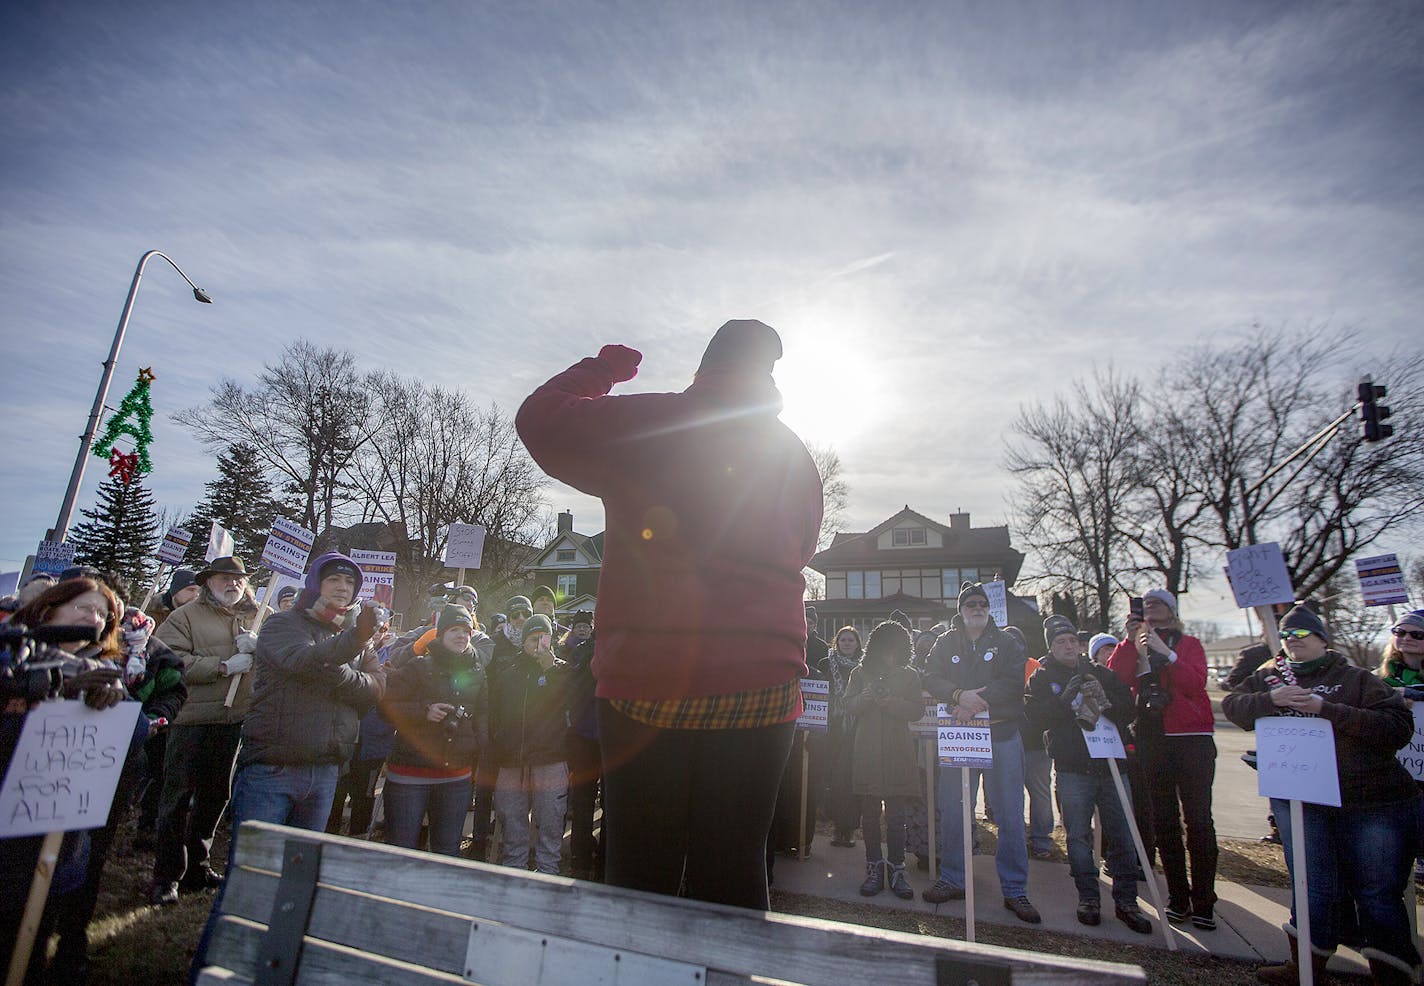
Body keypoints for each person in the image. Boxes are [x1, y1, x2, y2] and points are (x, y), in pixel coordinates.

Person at [516, 319, 823, 908]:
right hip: (763, 678)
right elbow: (802, 548)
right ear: (769, 376)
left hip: (648, 681)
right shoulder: (794, 456)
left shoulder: (651, 423)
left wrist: (603, 369)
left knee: (641, 867)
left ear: (703, 367)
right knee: (735, 864)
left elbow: (540, 418)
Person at [1224, 604, 1422, 984]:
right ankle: (1306, 967)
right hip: (1304, 801)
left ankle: (1393, 972)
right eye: (1285, 636)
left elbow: (1397, 727)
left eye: (1301, 635)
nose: (1292, 642)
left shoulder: (1355, 679)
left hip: (1371, 804)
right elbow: (1234, 706)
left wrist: (1327, 709)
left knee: (1376, 892)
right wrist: (1272, 701)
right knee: (1311, 885)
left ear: (1321, 639)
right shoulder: (1270, 677)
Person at [1, 578, 133, 983]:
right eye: (83, 607)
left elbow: (133, 739)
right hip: (9, 830)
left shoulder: (105, 672)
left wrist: (115, 704)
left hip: (57, 838)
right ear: (49, 609)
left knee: (31, 945)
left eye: (101, 613)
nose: (93, 617)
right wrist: (42, 697)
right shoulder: (12, 654)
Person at [231, 552, 390, 837]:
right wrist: (354, 642)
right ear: (315, 583)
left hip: (326, 771)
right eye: (333, 579)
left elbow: (376, 688)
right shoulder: (282, 624)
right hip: (274, 768)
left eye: (349, 581)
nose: (343, 587)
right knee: (254, 869)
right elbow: (303, 661)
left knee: (299, 869)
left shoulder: (356, 639)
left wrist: (340, 673)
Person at [922, 581, 1040, 923]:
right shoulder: (946, 642)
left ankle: (1015, 889)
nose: (977, 608)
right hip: (959, 736)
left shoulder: (1007, 642)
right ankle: (953, 878)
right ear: (960, 610)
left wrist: (975, 701)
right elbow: (929, 675)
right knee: (954, 809)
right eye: (970, 603)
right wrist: (959, 694)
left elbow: (1014, 681)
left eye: (982, 603)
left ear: (989, 609)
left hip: (1002, 735)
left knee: (1010, 814)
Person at [1026, 616, 1151, 934]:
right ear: (1051, 648)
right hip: (1072, 769)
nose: (1068, 647)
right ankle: (1089, 897)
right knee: (1078, 838)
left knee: (1121, 837)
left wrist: (1105, 702)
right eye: (1060, 643)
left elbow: (1129, 710)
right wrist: (1063, 700)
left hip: (1111, 766)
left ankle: (1126, 901)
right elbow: (1034, 718)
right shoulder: (1042, 678)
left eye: (1072, 641)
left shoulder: (1103, 674)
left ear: (1081, 646)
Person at [1106, 588, 1218, 930]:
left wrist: (1165, 652)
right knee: (1163, 821)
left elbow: (1195, 683)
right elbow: (1115, 679)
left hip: (1191, 740)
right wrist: (1129, 643)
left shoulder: (1189, 645)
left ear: (1171, 611)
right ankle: (1178, 896)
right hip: (1152, 740)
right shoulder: (1136, 644)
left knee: (1197, 821)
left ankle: (1204, 899)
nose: (1149, 607)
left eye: (1156, 603)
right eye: (1145, 603)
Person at [150, 556, 257, 906]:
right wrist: (223, 666)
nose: (233, 584)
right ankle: (167, 875)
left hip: (231, 722)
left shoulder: (255, 619)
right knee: (178, 798)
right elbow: (171, 661)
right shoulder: (185, 617)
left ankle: (198, 866)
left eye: (238, 579)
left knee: (216, 797)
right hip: (192, 721)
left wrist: (258, 650)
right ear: (208, 581)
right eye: (225, 578)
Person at [380, 604, 485, 856]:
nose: (462, 636)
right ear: (440, 634)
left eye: (466, 631)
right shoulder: (418, 667)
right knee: (401, 849)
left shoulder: (478, 672)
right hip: (409, 776)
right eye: (454, 630)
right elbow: (385, 707)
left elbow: (483, 719)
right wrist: (423, 710)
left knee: (447, 851)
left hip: (456, 778)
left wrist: (477, 754)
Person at [844, 621, 923, 900]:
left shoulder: (910, 675)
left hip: (897, 750)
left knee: (896, 816)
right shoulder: (860, 673)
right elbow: (848, 705)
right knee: (869, 815)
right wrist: (865, 698)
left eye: (894, 650)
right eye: (885, 649)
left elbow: (917, 710)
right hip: (866, 749)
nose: (889, 655)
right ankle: (874, 866)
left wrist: (892, 702)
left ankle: (897, 868)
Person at [487, 613, 571, 874]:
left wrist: (550, 669)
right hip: (512, 761)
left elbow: (572, 703)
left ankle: (548, 874)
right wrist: (499, 744)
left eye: (543, 638)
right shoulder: (508, 672)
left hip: (550, 760)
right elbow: (494, 713)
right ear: (523, 641)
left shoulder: (563, 670)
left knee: (551, 822)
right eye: (532, 638)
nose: (538, 644)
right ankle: (514, 872)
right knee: (513, 825)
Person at [1378, 608, 1424, 885]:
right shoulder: (1381, 677)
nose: (1406, 638)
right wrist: (1395, 697)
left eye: (1416, 633)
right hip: (1396, 766)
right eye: (1399, 632)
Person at [563, 611, 602, 880]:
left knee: (586, 800)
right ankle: (590, 860)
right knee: (592, 801)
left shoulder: (583, 651)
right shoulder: (586, 652)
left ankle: (585, 860)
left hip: (590, 734)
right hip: (599, 734)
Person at [825, 626, 864, 848]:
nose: (847, 643)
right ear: (837, 642)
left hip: (855, 729)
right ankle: (836, 827)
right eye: (843, 640)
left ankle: (848, 829)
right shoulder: (826, 664)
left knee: (851, 780)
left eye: (851, 640)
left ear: (858, 643)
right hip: (832, 730)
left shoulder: (864, 667)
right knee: (834, 780)